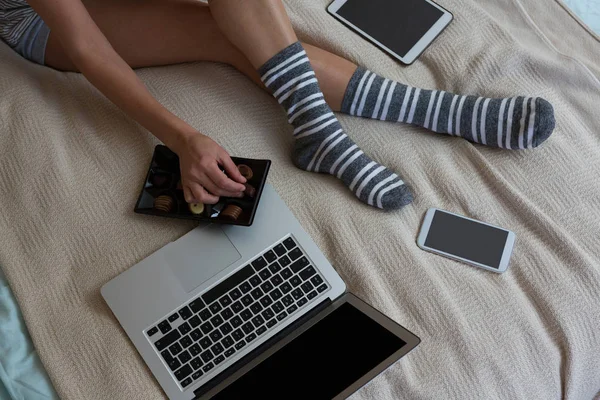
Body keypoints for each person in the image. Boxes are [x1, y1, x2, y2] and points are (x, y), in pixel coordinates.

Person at [0, 0, 555, 209]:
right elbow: (89, 50)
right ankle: (359, 131)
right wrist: (182, 137)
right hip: (40, 15)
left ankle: (419, 115)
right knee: (220, 34)